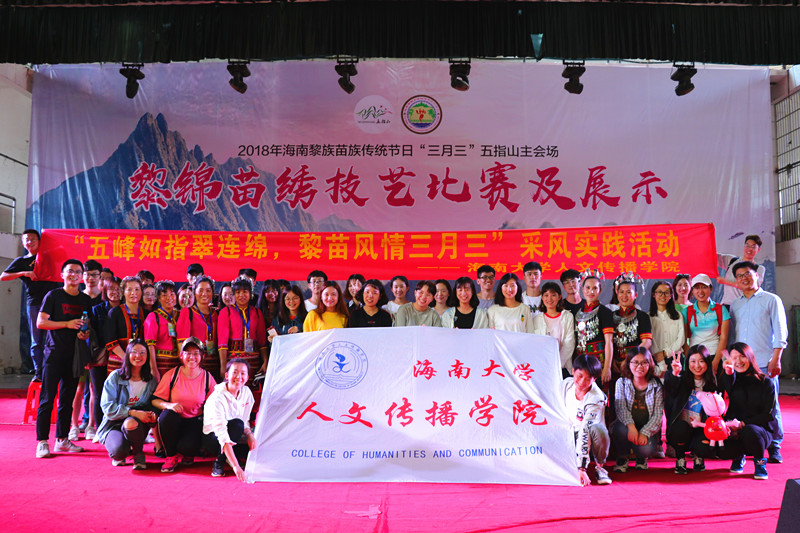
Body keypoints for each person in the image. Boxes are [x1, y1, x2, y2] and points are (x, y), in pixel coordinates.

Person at [729, 260, 788, 463]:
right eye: (740, 276)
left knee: (772, 406)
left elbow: (780, 331)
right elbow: (732, 335)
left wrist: (776, 359)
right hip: (740, 365)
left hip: (764, 362)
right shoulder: (735, 305)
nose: (744, 278)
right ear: (736, 281)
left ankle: (774, 446)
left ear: (757, 275)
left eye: (747, 274)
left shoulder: (771, 300)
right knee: (742, 404)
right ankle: (744, 445)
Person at [34, 259, 92, 458]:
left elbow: (86, 326)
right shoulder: (54, 295)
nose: (74, 275)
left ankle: (62, 440)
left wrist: (84, 333)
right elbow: (41, 322)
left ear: (82, 277)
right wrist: (66, 324)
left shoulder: (85, 300)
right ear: (62, 274)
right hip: (53, 354)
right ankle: (42, 442)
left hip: (74, 356)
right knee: (47, 398)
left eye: (78, 272)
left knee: (67, 399)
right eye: (70, 271)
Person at [0, 229, 59, 380]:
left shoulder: (50, 257)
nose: (30, 242)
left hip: (54, 303)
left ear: (40, 242)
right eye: (27, 239)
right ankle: (39, 372)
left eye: (33, 239)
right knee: (36, 340)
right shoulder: (21, 261)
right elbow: (3, 276)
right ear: (23, 243)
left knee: (53, 339)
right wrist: (23, 273)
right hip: (34, 304)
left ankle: (52, 371)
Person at [152, 337, 216, 473]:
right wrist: (168, 405)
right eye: (188, 353)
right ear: (181, 356)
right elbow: (155, 401)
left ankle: (188, 451)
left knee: (187, 448)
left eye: (196, 353)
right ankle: (170, 456)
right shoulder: (172, 374)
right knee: (166, 416)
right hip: (174, 420)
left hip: (195, 422)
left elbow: (215, 405)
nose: (192, 357)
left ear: (202, 356)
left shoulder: (207, 378)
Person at [97, 340, 158, 470]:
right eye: (134, 352)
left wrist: (152, 415)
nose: (138, 356)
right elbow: (107, 408)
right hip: (113, 424)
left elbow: (153, 405)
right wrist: (131, 412)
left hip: (136, 424)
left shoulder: (151, 381)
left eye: (143, 353)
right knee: (119, 452)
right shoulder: (115, 377)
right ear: (127, 354)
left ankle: (138, 453)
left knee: (131, 423)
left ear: (147, 356)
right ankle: (124, 447)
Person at [720, 343, 776, 480]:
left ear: (750, 357)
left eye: (742, 356)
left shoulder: (766, 382)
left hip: (760, 431)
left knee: (750, 431)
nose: (738, 361)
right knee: (720, 440)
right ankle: (738, 457)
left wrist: (743, 424)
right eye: (734, 358)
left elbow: (769, 415)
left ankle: (760, 464)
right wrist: (729, 373)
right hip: (735, 428)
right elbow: (726, 387)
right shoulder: (732, 380)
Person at [664, 345, 717, 474]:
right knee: (680, 429)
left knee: (704, 445)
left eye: (701, 361)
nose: (697, 365)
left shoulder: (711, 382)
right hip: (681, 427)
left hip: (702, 427)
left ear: (707, 362)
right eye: (693, 361)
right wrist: (675, 374)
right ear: (687, 363)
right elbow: (670, 391)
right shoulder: (680, 378)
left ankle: (699, 456)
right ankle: (680, 458)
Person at [559, 354, 611, 486]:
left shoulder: (596, 398)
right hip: (569, 431)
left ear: (594, 379)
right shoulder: (566, 385)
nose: (582, 382)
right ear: (573, 371)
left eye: (588, 379)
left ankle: (600, 467)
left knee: (599, 430)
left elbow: (585, 430)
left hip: (590, 435)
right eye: (580, 376)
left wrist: (581, 468)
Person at [202, 358, 256, 481]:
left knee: (252, 442)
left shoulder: (246, 393)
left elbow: (245, 420)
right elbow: (221, 433)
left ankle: (231, 456)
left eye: (243, 373)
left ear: (247, 377)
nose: (239, 377)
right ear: (227, 375)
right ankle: (219, 462)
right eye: (235, 372)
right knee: (237, 425)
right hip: (214, 438)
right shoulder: (218, 397)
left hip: (234, 435)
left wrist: (250, 435)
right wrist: (236, 466)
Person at [611, 347, 663, 472]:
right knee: (619, 430)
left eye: (644, 362)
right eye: (635, 362)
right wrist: (631, 427)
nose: (640, 366)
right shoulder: (622, 383)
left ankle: (641, 458)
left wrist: (645, 432)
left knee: (646, 448)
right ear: (628, 364)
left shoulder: (656, 385)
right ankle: (622, 458)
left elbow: (658, 415)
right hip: (627, 426)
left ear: (650, 364)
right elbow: (620, 408)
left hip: (646, 428)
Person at [86, 276, 121, 438]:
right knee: (100, 393)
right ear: (105, 291)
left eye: (118, 289)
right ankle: (100, 430)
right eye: (111, 289)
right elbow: (90, 336)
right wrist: (88, 358)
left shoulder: (127, 309)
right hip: (100, 357)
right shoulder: (97, 310)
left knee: (120, 394)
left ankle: (118, 429)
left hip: (121, 357)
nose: (115, 292)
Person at [218, 278, 267, 382]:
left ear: (250, 294)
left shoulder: (257, 312)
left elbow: (262, 341)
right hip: (233, 363)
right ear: (234, 295)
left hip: (254, 363)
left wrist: (265, 361)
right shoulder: (226, 312)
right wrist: (223, 365)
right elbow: (222, 343)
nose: (241, 295)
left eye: (245, 291)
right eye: (238, 292)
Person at [682, 273, 729, 373]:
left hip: (715, 355)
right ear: (692, 291)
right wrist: (690, 359)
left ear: (711, 289)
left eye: (704, 287)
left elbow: (724, 338)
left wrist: (716, 362)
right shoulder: (687, 311)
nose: (700, 291)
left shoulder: (721, 310)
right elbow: (684, 340)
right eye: (697, 288)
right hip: (695, 357)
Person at [574, 272, 614, 386]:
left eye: (595, 288)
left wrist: (607, 367)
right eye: (587, 288)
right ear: (582, 289)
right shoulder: (578, 312)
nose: (591, 291)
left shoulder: (605, 312)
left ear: (600, 290)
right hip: (581, 360)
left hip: (598, 361)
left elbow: (609, 341)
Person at [177, 275, 220, 380]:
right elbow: (182, 343)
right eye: (200, 290)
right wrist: (187, 365)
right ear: (194, 292)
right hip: (195, 363)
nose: (204, 294)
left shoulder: (216, 313)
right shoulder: (188, 312)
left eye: (208, 290)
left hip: (215, 363)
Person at [105, 275, 147, 375]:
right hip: (118, 360)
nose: (133, 293)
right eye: (129, 289)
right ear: (123, 292)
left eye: (137, 289)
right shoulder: (114, 312)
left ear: (141, 292)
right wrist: (126, 359)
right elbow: (110, 340)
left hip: (140, 361)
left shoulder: (147, 314)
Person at [532, 282, 576, 375]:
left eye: (553, 295)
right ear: (542, 298)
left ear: (559, 297)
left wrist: (556, 364)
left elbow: (569, 343)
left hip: (562, 367)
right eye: (546, 295)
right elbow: (535, 345)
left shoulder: (567, 316)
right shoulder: (537, 319)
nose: (549, 299)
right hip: (543, 367)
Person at [649, 281, 685, 379]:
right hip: (656, 359)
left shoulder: (678, 316)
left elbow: (681, 339)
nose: (663, 295)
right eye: (659, 292)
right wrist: (661, 362)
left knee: (676, 385)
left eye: (666, 292)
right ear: (654, 294)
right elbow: (651, 341)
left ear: (671, 295)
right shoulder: (649, 317)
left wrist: (666, 353)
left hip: (676, 359)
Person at [144, 280, 179, 380]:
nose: (169, 298)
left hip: (178, 365)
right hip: (161, 365)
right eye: (164, 295)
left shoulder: (180, 315)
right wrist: (153, 369)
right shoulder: (153, 316)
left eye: (172, 294)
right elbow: (150, 345)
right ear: (158, 298)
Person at [718, 234, 766, 307]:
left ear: (758, 249)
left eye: (753, 247)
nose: (749, 249)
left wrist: (725, 281)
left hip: (744, 305)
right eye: (747, 245)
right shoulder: (732, 260)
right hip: (727, 304)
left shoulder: (759, 269)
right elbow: (713, 256)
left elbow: (751, 287)